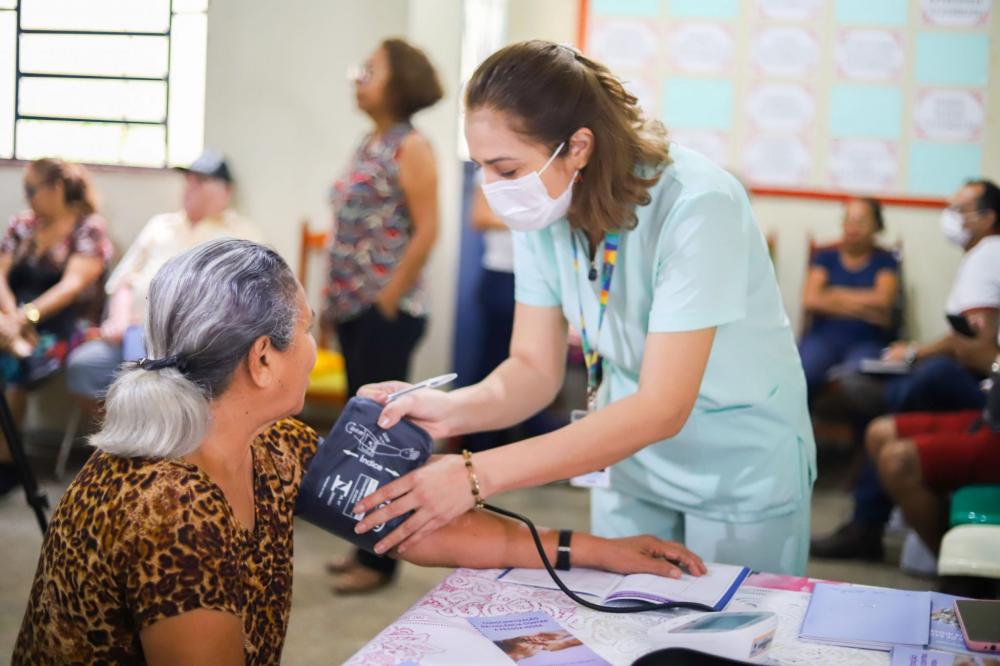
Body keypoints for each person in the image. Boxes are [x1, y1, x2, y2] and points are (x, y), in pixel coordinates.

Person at [13, 239, 705, 665]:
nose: (319, 345)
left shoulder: (262, 440)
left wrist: (594, 549)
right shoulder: (173, 508)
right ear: (262, 360)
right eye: (309, 328)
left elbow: (409, 519)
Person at [350, 41, 817, 576]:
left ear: (578, 147)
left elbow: (664, 406)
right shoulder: (544, 208)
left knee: (731, 637)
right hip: (629, 457)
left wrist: (474, 475)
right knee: (628, 631)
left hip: (738, 465)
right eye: (482, 169)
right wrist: (451, 409)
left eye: (505, 169)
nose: (494, 190)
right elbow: (532, 369)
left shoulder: (699, 205)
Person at [812, 179, 1000, 560]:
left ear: (988, 218)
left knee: (917, 385)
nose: (952, 218)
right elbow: (814, 298)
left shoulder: (987, 255)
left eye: (961, 210)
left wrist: (916, 354)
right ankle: (869, 518)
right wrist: (917, 351)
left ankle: (874, 524)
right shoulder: (983, 254)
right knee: (846, 380)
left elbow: (974, 346)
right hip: (983, 380)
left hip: (988, 389)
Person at [322, 38, 441, 593]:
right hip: (353, 310)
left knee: (382, 443)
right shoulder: (369, 140)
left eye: (370, 70)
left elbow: (428, 229)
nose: (357, 77)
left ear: (398, 85)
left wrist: (385, 302)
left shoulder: (411, 146)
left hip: (385, 315)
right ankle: (361, 545)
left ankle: (381, 560)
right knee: (356, 441)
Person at [65, 150, 263, 414]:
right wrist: (118, 320)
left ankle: (142, 439)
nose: (190, 187)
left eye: (201, 182)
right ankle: (125, 439)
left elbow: (255, 296)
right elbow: (124, 281)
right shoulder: (160, 226)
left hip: (190, 342)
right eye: (189, 180)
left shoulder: (240, 234)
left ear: (225, 191)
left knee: (150, 379)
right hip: (133, 332)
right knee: (84, 366)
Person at [0, 158, 112, 496]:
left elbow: (72, 286)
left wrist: (24, 319)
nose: (27, 198)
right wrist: (10, 319)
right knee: (9, 346)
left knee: (11, 359)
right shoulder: (22, 225)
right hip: (11, 318)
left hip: (64, 325)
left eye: (32, 190)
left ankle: (7, 462)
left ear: (57, 189)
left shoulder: (88, 229)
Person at [464, 182, 565, 452]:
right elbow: (480, 216)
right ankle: (478, 442)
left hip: (537, 274)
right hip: (503, 277)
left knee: (534, 359)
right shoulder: (491, 172)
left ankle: (527, 432)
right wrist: (536, 220)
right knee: (496, 361)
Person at [798, 197, 898, 398]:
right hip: (822, 338)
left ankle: (865, 431)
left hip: (867, 341)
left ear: (876, 226)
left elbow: (882, 302)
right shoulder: (825, 257)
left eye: (861, 221)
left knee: (857, 383)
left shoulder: (885, 260)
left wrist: (832, 294)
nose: (852, 227)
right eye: (848, 220)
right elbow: (810, 299)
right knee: (803, 373)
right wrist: (865, 309)